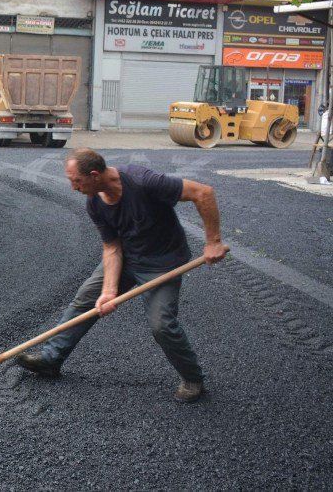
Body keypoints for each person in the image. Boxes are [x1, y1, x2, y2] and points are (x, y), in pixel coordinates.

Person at [15, 148, 227, 403]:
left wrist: (213, 241)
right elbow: (112, 247)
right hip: (126, 256)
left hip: (163, 264)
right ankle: (51, 358)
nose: (73, 188)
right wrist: (109, 292)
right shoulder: (95, 203)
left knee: (162, 325)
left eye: (76, 181)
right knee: (85, 300)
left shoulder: (143, 181)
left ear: (94, 175)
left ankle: (193, 379)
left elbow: (203, 192)